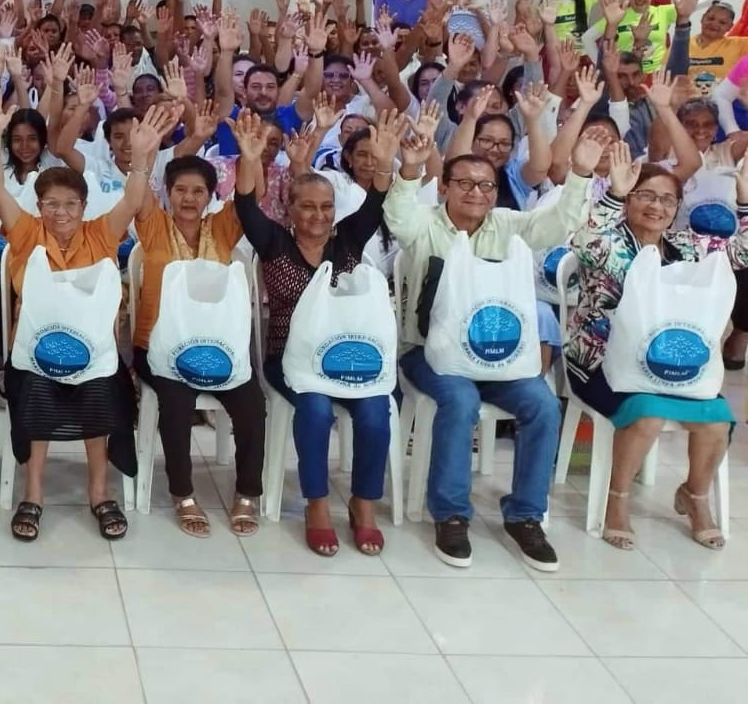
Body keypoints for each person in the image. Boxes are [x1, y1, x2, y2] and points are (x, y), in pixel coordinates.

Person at [386, 123, 604, 572]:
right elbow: (398, 217)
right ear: (444, 187)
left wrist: (581, 173)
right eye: (463, 183)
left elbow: (559, 223)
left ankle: (525, 515)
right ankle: (449, 513)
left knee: (543, 404)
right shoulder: (425, 225)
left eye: (485, 185)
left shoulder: (509, 226)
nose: (476, 192)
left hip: (499, 356)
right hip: (427, 353)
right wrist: (410, 168)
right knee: (460, 399)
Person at [0, 93, 177, 543]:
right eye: (51, 204)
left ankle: (99, 492)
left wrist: (142, 158)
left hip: (95, 358)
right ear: (38, 206)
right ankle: (33, 495)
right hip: (34, 356)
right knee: (35, 390)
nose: (61, 213)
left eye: (70, 204)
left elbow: (131, 200)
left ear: (83, 208)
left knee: (102, 391)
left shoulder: (101, 234)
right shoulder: (26, 232)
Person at [234, 109, 400, 556]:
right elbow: (246, 207)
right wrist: (250, 161)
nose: (318, 215)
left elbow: (376, 201)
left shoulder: (345, 240)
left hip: (349, 357)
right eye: (307, 206)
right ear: (290, 209)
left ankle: (363, 505)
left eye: (326, 207)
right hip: (289, 360)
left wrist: (384, 163)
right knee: (315, 410)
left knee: (374, 411)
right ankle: (318, 505)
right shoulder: (274, 242)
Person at [566, 143, 748, 549]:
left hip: (674, 367)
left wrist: (745, 202)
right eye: (645, 195)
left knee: (717, 420)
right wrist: (613, 192)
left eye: (667, 199)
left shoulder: (686, 247)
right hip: (601, 364)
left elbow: (741, 253)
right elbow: (584, 242)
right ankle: (617, 500)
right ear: (628, 199)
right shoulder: (611, 243)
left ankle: (695, 497)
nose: (657, 206)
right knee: (646, 415)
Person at [129, 152, 263, 538]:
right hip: (158, 350)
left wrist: (250, 158)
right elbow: (137, 195)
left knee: (252, 402)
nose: (189, 198)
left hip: (219, 351)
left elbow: (247, 199)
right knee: (176, 402)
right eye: (181, 190)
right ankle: (182, 494)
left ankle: (247, 492)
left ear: (210, 196)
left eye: (198, 191)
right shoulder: (154, 225)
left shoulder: (222, 228)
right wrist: (145, 152)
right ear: (168, 193)